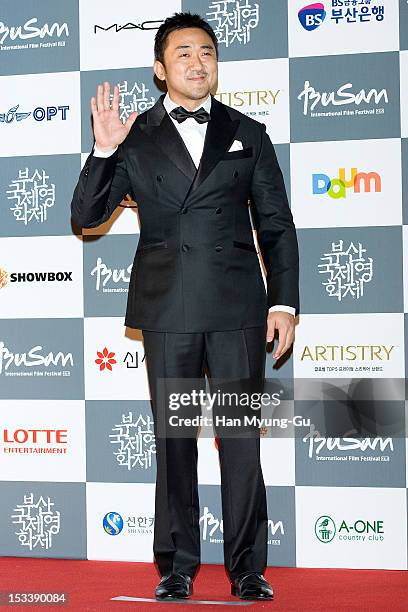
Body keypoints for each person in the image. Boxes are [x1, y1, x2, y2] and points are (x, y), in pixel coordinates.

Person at [71, 11, 299, 602]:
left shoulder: (248, 131)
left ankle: (249, 567)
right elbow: (86, 216)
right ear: (159, 69)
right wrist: (102, 150)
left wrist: (285, 302)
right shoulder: (136, 135)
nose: (198, 63)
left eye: (207, 53)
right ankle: (177, 566)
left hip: (238, 310)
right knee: (175, 442)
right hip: (168, 308)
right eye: (184, 55)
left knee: (241, 440)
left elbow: (276, 225)